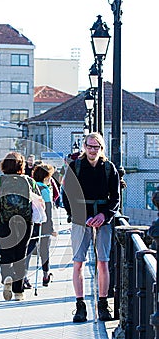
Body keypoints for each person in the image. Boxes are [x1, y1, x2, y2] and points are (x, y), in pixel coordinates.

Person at [62, 132, 120, 322]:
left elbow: (116, 198)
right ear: (84, 147)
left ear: (101, 148)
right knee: (78, 262)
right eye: (89, 146)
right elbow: (67, 196)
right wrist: (80, 216)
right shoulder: (75, 167)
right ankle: (80, 306)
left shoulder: (109, 168)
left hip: (102, 219)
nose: (92, 150)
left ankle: (102, 305)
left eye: (96, 147)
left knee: (103, 261)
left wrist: (104, 215)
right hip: (81, 220)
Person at [0, 152, 40, 301]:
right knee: (21, 255)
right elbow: (38, 202)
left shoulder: (0, 181)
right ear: (21, 165)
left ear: (5, 165)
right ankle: (18, 292)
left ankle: (7, 276)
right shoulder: (30, 181)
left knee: (5, 253)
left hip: (4, 222)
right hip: (25, 223)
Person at [24, 163, 57, 288]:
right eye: (49, 176)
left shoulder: (30, 187)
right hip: (43, 224)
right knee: (44, 250)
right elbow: (48, 210)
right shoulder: (45, 190)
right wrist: (51, 228)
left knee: (28, 249)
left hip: (31, 223)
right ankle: (45, 275)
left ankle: (24, 276)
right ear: (45, 177)